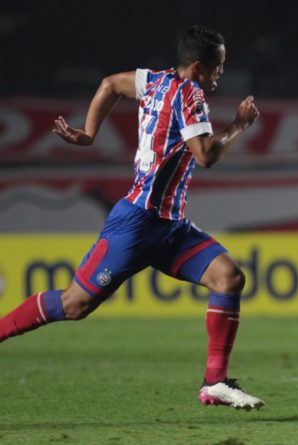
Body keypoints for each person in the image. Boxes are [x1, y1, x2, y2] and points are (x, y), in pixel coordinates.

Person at [0, 25, 264, 411]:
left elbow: (109, 84)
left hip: (169, 226)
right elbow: (206, 155)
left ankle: (215, 382)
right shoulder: (191, 95)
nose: (221, 73)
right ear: (198, 67)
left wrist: (90, 133)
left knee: (228, 276)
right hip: (138, 223)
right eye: (217, 66)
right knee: (75, 305)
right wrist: (240, 124)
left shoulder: (153, 80)